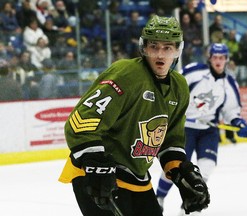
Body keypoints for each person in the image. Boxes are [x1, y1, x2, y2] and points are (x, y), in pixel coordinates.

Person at [58, 15, 210, 216]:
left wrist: (182, 173)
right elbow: (80, 122)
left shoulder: (179, 87)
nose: (160, 55)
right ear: (144, 48)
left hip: (137, 177)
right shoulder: (126, 74)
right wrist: (95, 164)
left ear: (177, 50)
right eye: (154, 46)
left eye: (167, 48)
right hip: (99, 172)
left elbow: (170, 142)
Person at [156, 43, 247, 215]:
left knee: (206, 168)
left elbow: (231, 111)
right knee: (175, 167)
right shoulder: (194, 72)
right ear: (210, 58)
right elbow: (173, 87)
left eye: (221, 58)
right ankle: (159, 198)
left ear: (226, 60)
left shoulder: (229, 83)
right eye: (215, 57)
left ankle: (190, 205)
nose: (218, 61)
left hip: (208, 130)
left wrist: (238, 122)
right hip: (185, 127)